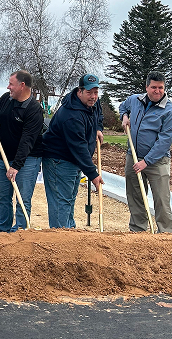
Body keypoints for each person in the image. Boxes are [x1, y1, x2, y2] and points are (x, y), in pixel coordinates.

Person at [42, 73, 104, 228]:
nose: (93, 96)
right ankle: (59, 239)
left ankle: (69, 234)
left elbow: (99, 114)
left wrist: (98, 128)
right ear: (79, 92)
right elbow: (79, 147)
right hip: (59, 160)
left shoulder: (92, 104)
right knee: (61, 201)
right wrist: (93, 175)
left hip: (73, 160)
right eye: (89, 92)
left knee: (69, 199)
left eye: (96, 92)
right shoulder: (71, 116)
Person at [119, 71, 172, 233]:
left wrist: (146, 162)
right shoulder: (135, 100)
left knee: (161, 198)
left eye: (161, 88)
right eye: (153, 87)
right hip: (133, 155)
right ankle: (137, 229)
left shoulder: (170, 111)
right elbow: (123, 106)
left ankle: (165, 232)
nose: (157, 91)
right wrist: (124, 116)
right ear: (147, 87)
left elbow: (164, 142)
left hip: (157, 161)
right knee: (135, 195)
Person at [0, 70, 44, 232]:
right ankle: (3, 230)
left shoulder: (33, 109)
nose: (8, 87)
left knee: (22, 198)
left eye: (11, 84)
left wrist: (16, 166)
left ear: (22, 85)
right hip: (3, 158)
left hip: (27, 161)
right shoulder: (7, 98)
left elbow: (27, 140)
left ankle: (20, 233)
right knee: (3, 196)